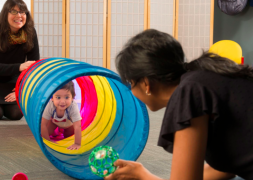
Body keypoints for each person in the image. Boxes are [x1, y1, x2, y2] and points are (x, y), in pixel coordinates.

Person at [105, 29, 253, 180]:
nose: (132, 91)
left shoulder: (188, 92)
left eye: (131, 83)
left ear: (145, 83)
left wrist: (142, 176)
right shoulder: (202, 78)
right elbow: (225, 169)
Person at [0, 0, 39, 121]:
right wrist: (20, 67)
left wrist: (21, 88)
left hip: (10, 79)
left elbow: (33, 67)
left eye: (22, 12)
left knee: (16, 114)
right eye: (13, 11)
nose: (19, 16)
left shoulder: (30, 32)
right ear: (5, 14)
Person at [41, 81, 82, 150]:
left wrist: (77, 143)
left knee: (68, 138)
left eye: (66, 97)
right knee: (45, 134)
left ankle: (61, 131)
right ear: (52, 98)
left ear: (72, 97)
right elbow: (43, 124)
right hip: (54, 123)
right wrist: (48, 141)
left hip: (69, 125)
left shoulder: (73, 106)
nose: (62, 102)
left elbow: (77, 126)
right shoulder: (50, 105)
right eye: (58, 97)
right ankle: (57, 131)